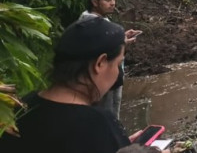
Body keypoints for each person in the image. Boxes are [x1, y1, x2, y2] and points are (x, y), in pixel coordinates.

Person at [0, 16, 132, 152]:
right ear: (100, 63)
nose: (117, 73)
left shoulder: (19, 108)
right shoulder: (99, 125)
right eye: (117, 64)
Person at [79, 0, 141, 118]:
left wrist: (122, 37)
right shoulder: (90, 24)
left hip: (113, 76)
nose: (112, 3)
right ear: (95, 2)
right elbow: (96, 51)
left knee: (112, 114)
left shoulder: (102, 20)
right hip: (103, 79)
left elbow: (105, 42)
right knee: (107, 116)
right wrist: (122, 42)